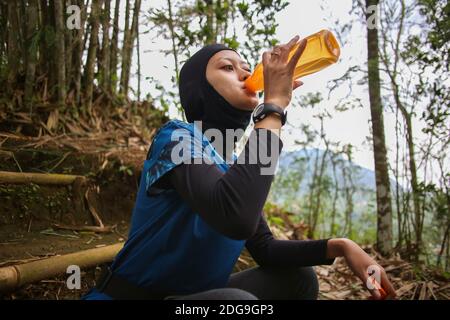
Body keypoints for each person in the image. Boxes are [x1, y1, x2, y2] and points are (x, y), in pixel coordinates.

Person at [82, 35, 396, 300]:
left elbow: (265, 249)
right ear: (199, 89)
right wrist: (273, 107)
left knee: (299, 278)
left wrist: (342, 246)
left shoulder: (233, 166)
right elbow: (233, 216)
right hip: (132, 296)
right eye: (228, 67)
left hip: (195, 299)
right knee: (237, 302)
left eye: (246, 67)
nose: (245, 74)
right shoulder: (176, 138)